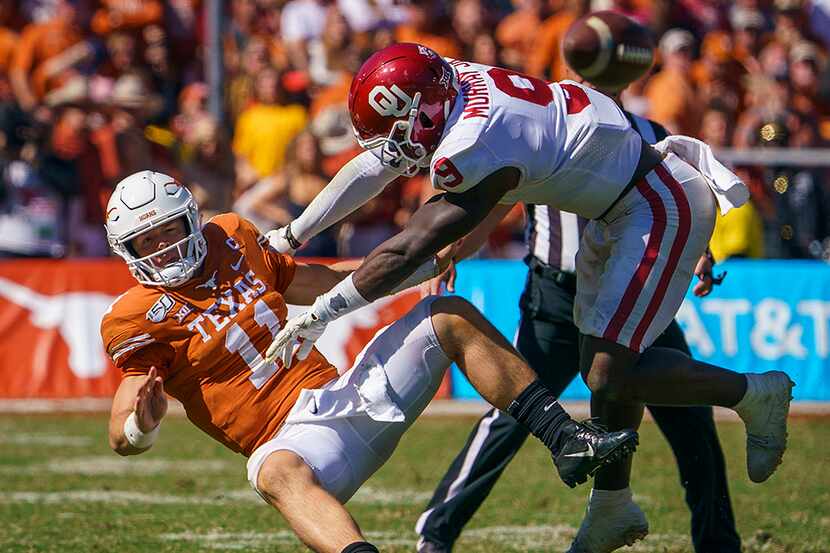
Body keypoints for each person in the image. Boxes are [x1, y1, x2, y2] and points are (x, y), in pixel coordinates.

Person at [264, 42, 794, 551]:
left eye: (396, 134)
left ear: (425, 113)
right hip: (615, 213)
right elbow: (376, 168)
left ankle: (755, 393)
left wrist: (318, 313)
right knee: (602, 370)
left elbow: (408, 251)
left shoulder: (473, 141)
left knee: (612, 373)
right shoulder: (448, 78)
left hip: (655, 206)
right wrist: (292, 235)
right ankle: (612, 506)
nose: (392, 151)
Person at [102, 170, 638, 553]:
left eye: (169, 231)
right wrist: (139, 426)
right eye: (145, 241)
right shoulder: (135, 316)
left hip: (345, 398)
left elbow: (325, 282)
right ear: (125, 251)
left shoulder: (233, 238)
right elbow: (122, 427)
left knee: (446, 314)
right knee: (272, 471)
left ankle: (567, 440)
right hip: (298, 447)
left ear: (191, 221)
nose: (164, 249)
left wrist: (415, 266)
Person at [414, 37, 742, 553]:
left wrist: (701, 255)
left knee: (693, 425)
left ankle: (719, 544)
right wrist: (457, 247)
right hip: (555, 298)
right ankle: (435, 534)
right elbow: (500, 199)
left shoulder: (650, 132)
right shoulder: (548, 119)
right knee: (510, 417)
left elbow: (677, 203)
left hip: (632, 293)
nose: (596, 83)